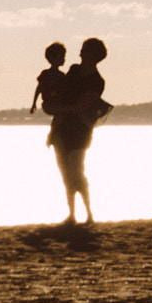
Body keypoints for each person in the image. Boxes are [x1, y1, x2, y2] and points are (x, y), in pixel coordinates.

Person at [50, 37, 111, 225]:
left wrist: (58, 108)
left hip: (80, 130)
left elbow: (80, 106)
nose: (80, 53)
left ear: (93, 55)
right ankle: (72, 214)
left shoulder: (97, 81)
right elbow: (60, 92)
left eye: (84, 50)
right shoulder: (74, 70)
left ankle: (89, 213)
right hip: (61, 127)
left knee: (77, 171)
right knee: (65, 173)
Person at [30, 42, 68, 120]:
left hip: (58, 102)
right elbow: (39, 88)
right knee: (62, 112)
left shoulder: (62, 75)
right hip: (49, 104)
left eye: (63, 56)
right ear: (52, 58)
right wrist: (34, 103)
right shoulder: (46, 74)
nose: (64, 59)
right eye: (61, 56)